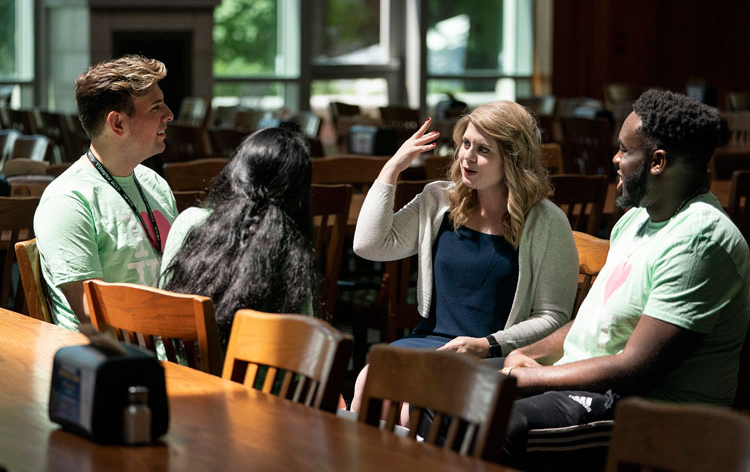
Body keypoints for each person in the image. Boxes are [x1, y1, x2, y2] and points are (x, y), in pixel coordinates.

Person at [498, 89, 750, 467]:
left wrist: (525, 380)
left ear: (657, 162)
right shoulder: (636, 219)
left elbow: (635, 369)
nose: (615, 159)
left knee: (494, 420)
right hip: (595, 387)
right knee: (451, 387)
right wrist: (525, 354)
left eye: (624, 150)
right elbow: (594, 322)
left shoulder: (701, 239)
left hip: (654, 420)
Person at [349, 101, 579, 415]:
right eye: (465, 144)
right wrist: (392, 169)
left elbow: (553, 317)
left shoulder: (546, 221)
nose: (466, 156)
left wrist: (486, 344)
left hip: (496, 353)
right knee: (369, 377)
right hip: (431, 341)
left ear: (512, 161)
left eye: (483, 150)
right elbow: (368, 246)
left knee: (410, 404)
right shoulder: (439, 200)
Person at [35, 55, 177, 330]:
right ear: (118, 124)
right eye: (156, 107)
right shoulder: (67, 201)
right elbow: (93, 315)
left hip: (172, 344)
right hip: (117, 361)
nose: (169, 115)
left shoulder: (154, 183)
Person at [160, 127, 321, 345]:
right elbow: (302, 339)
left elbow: (165, 309)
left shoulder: (189, 222)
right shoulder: (288, 246)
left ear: (236, 171)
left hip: (180, 371)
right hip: (255, 378)